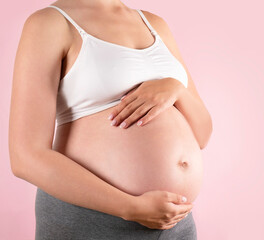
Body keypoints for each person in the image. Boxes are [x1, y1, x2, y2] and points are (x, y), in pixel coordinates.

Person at [9, 0, 213, 239]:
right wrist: (130, 207)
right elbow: (25, 157)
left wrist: (175, 88)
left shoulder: (154, 24)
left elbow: (202, 133)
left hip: (176, 222)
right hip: (93, 218)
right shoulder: (51, 23)